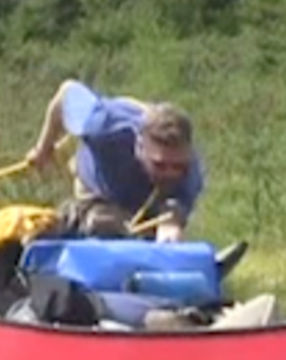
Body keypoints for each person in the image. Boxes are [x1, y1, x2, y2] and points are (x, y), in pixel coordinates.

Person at [25, 80, 205, 240]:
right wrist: (43, 148)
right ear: (139, 147)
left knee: (144, 234)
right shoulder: (108, 126)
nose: (170, 173)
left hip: (142, 202)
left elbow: (173, 212)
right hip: (98, 188)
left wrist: (170, 226)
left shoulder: (190, 173)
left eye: (177, 166)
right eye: (159, 165)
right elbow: (67, 94)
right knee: (104, 224)